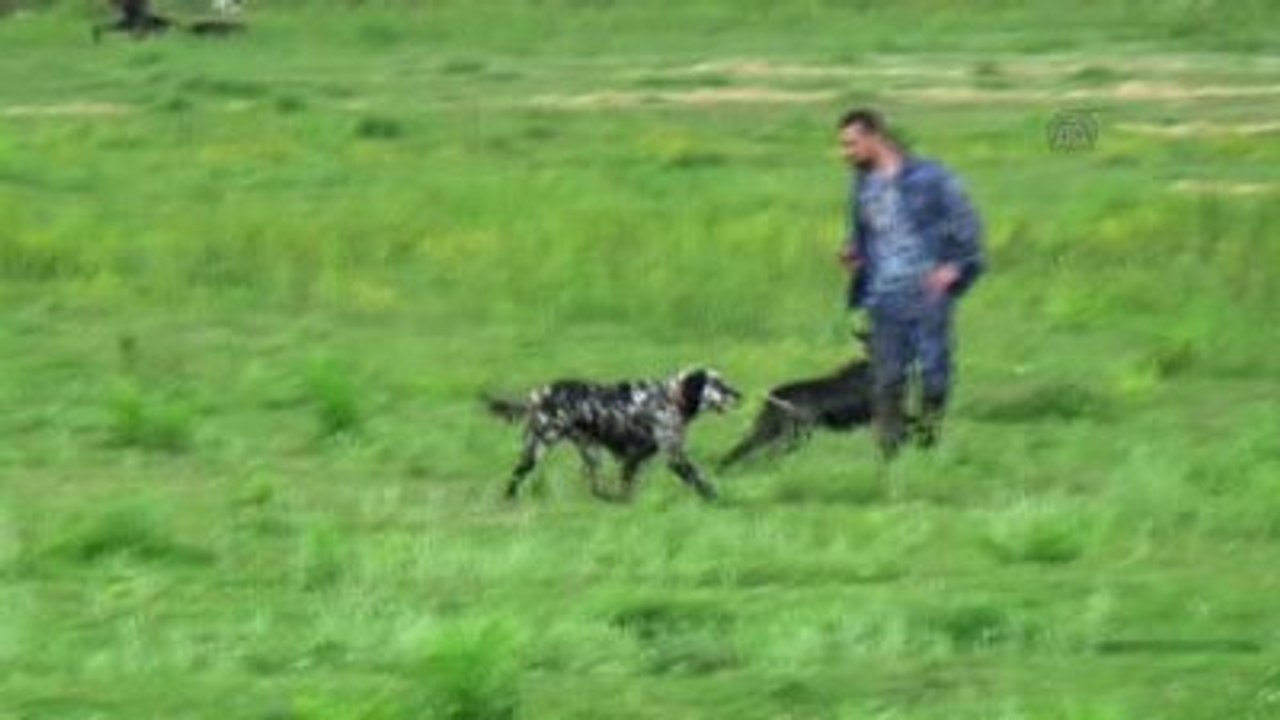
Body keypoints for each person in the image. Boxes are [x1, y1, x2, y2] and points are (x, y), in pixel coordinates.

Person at [836, 108, 984, 459]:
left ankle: (928, 438)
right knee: (887, 379)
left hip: (928, 294)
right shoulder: (862, 183)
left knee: (934, 374)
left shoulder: (930, 177)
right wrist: (854, 252)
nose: (846, 153)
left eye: (851, 144)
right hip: (882, 296)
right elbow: (865, 233)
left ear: (875, 137)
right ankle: (891, 456)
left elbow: (966, 222)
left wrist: (955, 266)